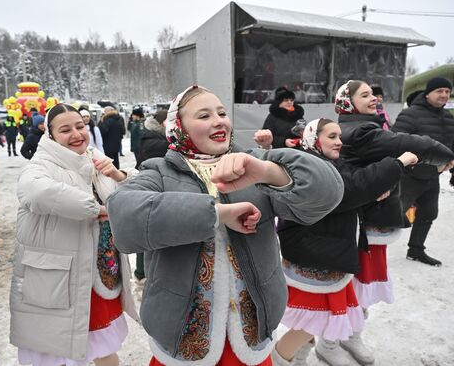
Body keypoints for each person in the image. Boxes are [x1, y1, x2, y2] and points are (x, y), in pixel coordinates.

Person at [107, 85, 344, 366]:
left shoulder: (251, 161)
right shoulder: (158, 171)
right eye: (204, 115)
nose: (218, 120)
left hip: (251, 333)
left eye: (221, 113)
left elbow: (329, 191)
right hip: (183, 338)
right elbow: (123, 216)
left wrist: (268, 171)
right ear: (178, 126)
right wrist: (217, 214)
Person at [272, 119, 418, 366]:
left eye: (339, 136)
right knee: (312, 321)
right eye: (331, 136)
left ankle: (297, 359)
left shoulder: (330, 163)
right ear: (313, 139)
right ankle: (277, 361)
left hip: (324, 255)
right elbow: (350, 188)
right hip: (315, 257)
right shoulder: (309, 167)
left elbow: (348, 194)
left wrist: (371, 196)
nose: (339, 141)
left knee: (309, 319)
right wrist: (397, 163)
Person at [334, 79, 454, 364]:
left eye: (374, 94)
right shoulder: (361, 130)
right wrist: (443, 154)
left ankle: (349, 336)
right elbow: (407, 142)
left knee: (358, 285)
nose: (374, 98)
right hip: (364, 222)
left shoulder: (365, 125)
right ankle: (333, 340)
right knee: (353, 285)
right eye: (365, 95)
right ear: (348, 103)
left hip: (370, 220)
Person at [9, 103, 138, 366]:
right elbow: (34, 192)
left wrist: (118, 174)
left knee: (104, 346)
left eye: (80, 126)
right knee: (60, 352)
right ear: (51, 135)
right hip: (60, 281)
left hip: (99, 276)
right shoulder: (41, 164)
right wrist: (96, 209)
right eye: (65, 129)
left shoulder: (94, 159)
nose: (76, 134)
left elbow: (134, 198)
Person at [393, 77, 454, 266]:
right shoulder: (411, 114)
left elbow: (451, 146)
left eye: (447, 92)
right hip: (409, 176)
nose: (444, 95)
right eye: (439, 91)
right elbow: (395, 142)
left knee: (429, 213)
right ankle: (368, 249)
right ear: (428, 93)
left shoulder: (448, 117)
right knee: (391, 214)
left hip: (433, 176)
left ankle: (415, 250)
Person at [133, 110, 170, 283]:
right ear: (162, 123)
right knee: (146, 230)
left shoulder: (156, 137)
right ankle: (142, 272)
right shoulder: (154, 141)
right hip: (151, 191)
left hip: (156, 190)